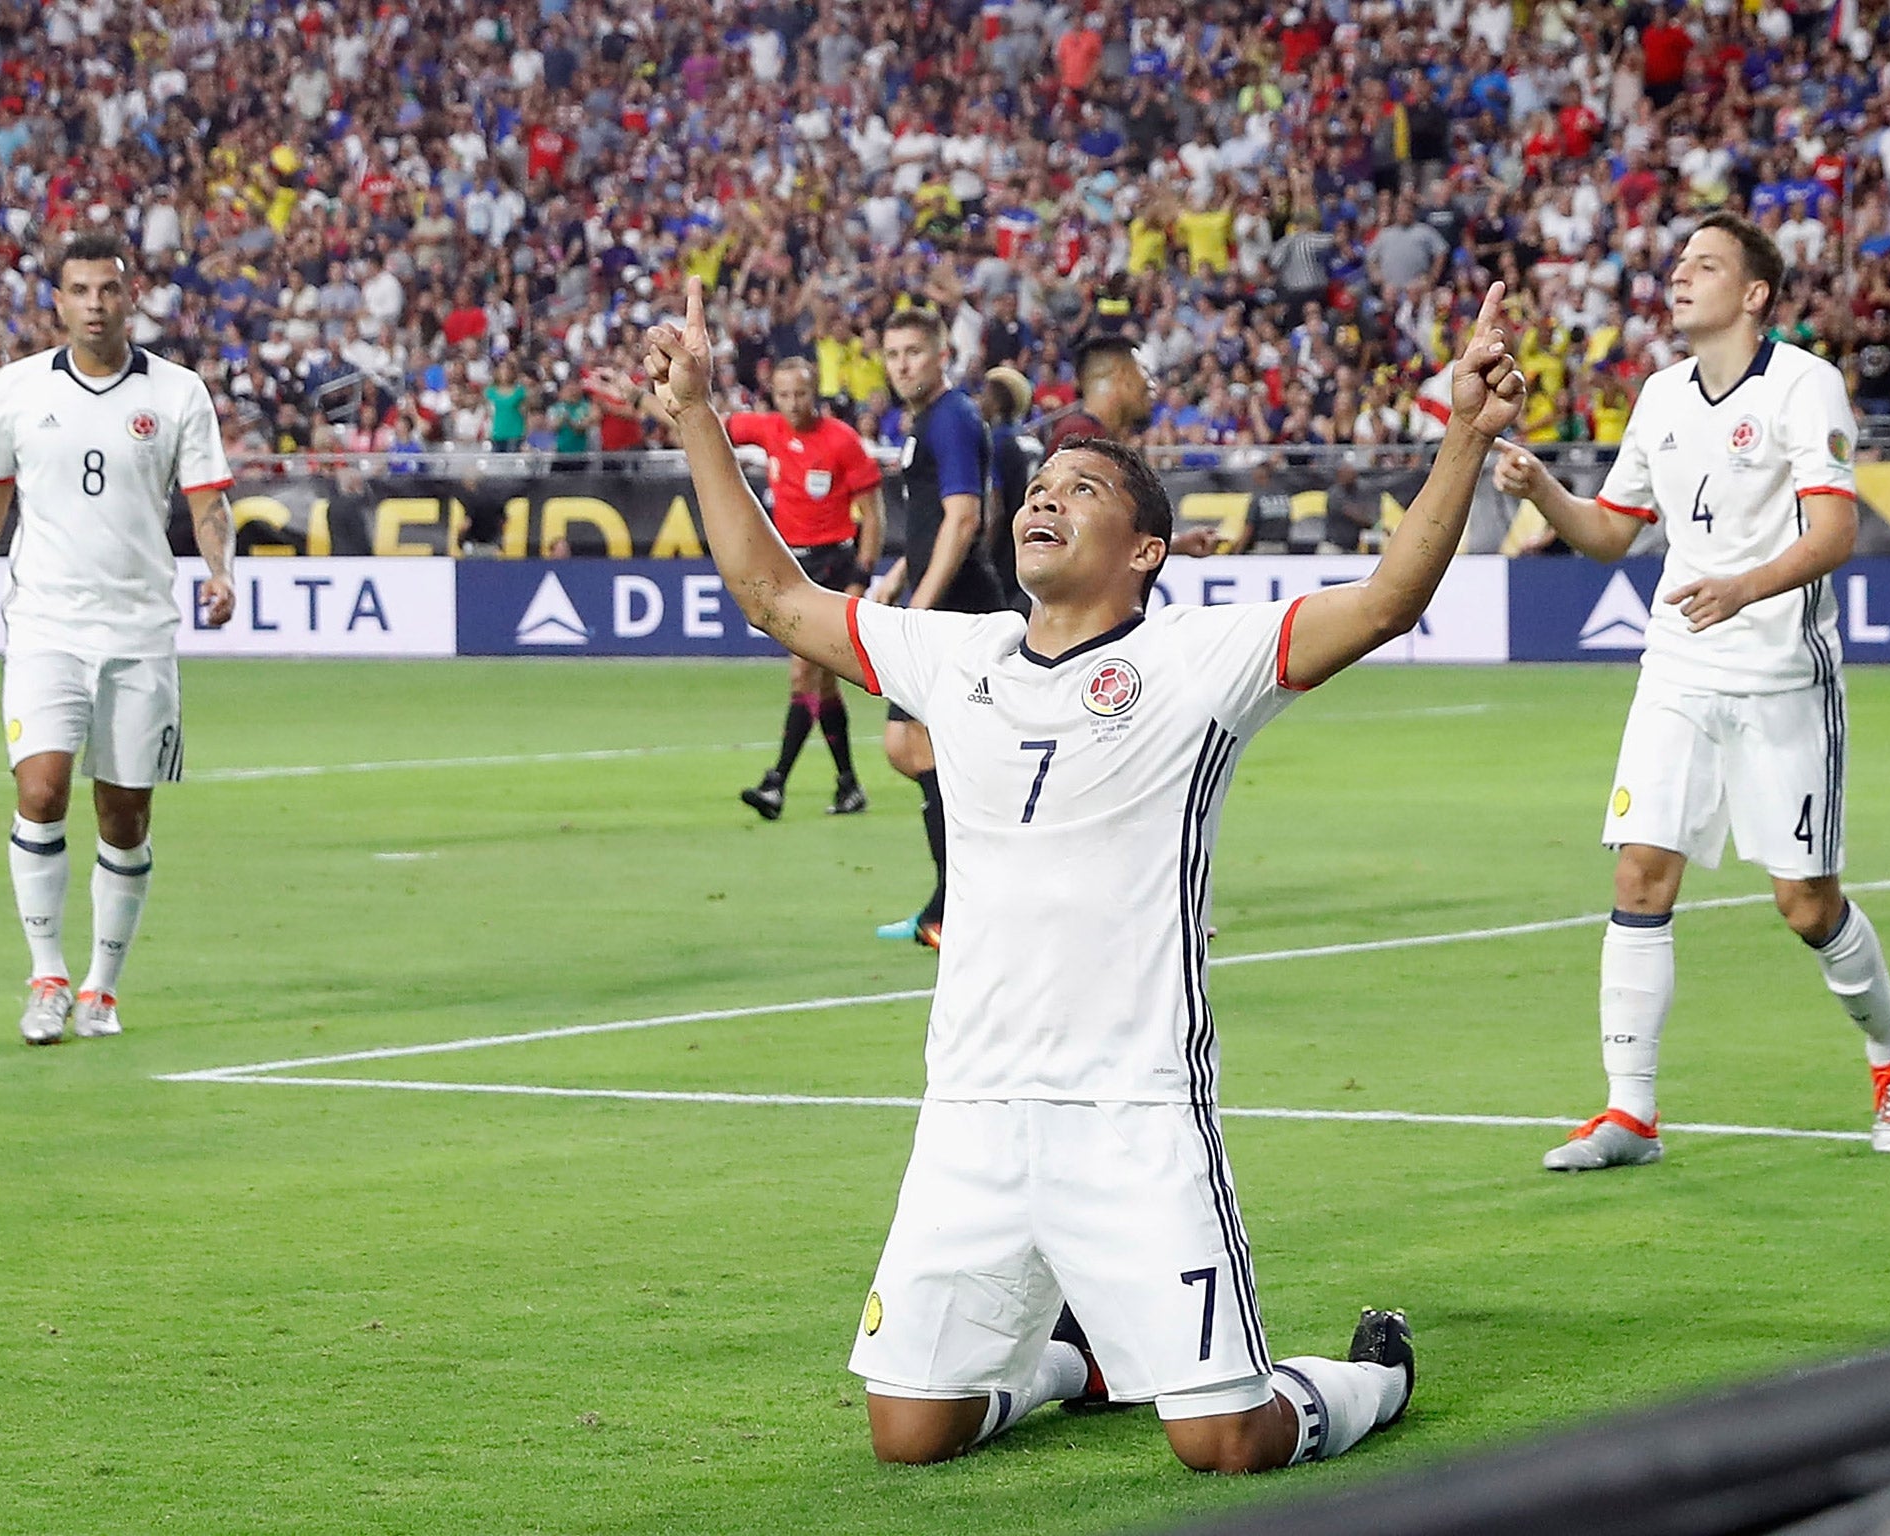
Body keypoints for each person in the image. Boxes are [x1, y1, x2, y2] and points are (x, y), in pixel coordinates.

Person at [642, 275, 1526, 1473]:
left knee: (1224, 1439)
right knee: (911, 1433)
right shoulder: (957, 656)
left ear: (1146, 549)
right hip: (972, 1110)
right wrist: (697, 411)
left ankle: (1364, 1377)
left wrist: (1464, 432)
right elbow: (770, 594)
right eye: (1040, 488)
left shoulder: (1198, 658)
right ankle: (1082, 1362)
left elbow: (1384, 599)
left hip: (1132, 1111)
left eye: (1082, 490)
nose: (1042, 501)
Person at [1492, 213, 1890, 1170]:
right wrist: (1540, 492)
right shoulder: (1656, 396)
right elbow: (1612, 532)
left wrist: (1740, 588)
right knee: (1640, 873)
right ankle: (1630, 1115)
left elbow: (1833, 535)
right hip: (1678, 670)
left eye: (1705, 264)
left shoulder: (1804, 385)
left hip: (1781, 677)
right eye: (1678, 260)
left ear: (1756, 293)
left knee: (1806, 905)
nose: (1679, 274)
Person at [0, 232, 237, 1045]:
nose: (95, 304)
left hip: (139, 631)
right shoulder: (20, 389)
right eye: (80, 290)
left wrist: (220, 571)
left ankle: (102, 987)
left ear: (129, 297)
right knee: (40, 792)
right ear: (57, 302)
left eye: (109, 289)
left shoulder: (177, 394)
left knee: (125, 814)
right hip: (45, 625)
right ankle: (47, 977)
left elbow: (208, 499)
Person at [599, 355, 886, 818]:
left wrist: (861, 577)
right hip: (790, 566)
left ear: (816, 394)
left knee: (802, 675)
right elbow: (697, 422)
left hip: (833, 569)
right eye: (785, 395)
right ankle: (848, 785)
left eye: (802, 394)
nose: (794, 404)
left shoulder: (843, 441)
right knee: (823, 685)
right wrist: (637, 398)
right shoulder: (768, 429)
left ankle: (776, 783)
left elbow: (872, 515)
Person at [865, 307, 1003, 950]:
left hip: (957, 609)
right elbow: (929, 526)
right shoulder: (922, 422)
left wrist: (918, 608)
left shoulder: (951, 418)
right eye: (892, 354)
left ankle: (954, 909)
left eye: (914, 352)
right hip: (938, 600)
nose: (902, 365)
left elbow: (963, 518)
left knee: (916, 747)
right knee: (921, 750)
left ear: (941, 353)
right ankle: (952, 905)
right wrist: (896, 576)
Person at [1045, 336, 1220, 557]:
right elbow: (1083, 536)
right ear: (1122, 376)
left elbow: (1111, 535)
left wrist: (1177, 544)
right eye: (1144, 372)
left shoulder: (1098, 437)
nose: (1151, 385)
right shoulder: (1080, 437)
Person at [980, 363, 1039, 617]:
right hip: (1028, 547)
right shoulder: (1031, 442)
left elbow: (996, 507)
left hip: (1003, 553)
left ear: (997, 401)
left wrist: (984, 556)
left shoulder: (996, 442)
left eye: (986, 394)